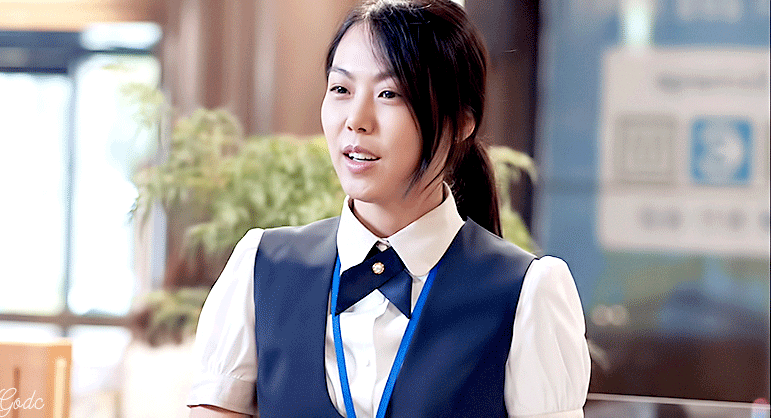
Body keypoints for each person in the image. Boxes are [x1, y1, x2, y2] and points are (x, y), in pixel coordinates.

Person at [187, 1, 590, 417]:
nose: (356, 120)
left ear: (461, 121)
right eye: (341, 89)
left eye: (389, 94)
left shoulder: (528, 292)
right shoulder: (261, 268)